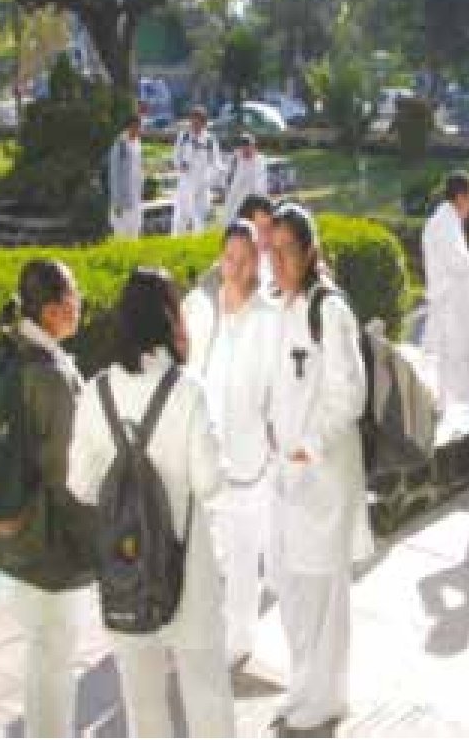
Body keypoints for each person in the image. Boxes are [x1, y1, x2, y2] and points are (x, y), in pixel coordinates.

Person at [68, 268, 236, 737]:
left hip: (126, 567)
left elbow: (79, 484)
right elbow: (210, 483)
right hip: (188, 567)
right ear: (169, 320)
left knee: (141, 704)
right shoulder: (187, 391)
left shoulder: (96, 391)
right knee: (206, 695)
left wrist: (122, 490)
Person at [266, 203, 374, 734]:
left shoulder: (328, 310)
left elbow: (349, 393)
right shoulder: (282, 306)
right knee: (290, 587)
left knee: (323, 595)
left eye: (287, 252)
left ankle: (327, 698)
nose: (278, 262)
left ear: (310, 252)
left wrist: (309, 446)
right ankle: (304, 687)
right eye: (272, 251)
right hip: (287, 476)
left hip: (324, 475)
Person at [0, 260, 94, 738]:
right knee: (54, 658)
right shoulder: (50, 375)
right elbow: (67, 474)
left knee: (40, 654)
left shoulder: (11, 351)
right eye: (74, 297)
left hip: (11, 532)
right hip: (48, 545)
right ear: (51, 311)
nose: (80, 303)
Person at [185, 220, 278, 666]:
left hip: (250, 456)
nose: (236, 268)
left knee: (243, 554)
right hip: (207, 449)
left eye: (245, 259)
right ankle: (205, 628)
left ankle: (239, 639)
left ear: (257, 261)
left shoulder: (269, 318)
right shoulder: (204, 310)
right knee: (207, 552)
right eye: (229, 258)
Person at [422, 172, 469, 419]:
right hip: (450, 305)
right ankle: (456, 412)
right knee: (455, 359)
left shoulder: (447, 221)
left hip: (454, 301)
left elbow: (461, 263)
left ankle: (457, 409)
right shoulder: (444, 224)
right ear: (461, 197)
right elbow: (459, 264)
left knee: (457, 360)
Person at [172, 106, 223, 235]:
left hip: (203, 182)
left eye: (198, 122)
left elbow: (216, 162)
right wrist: (180, 165)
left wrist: (212, 177)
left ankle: (198, 238)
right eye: (193, 121)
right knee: (182, 212)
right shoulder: (184, 137)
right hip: (186, 180)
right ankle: (177, 238)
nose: (195, 125)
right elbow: (175, 156)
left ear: (204, 122)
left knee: (200, 214)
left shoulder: (210, 140)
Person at [108, 113, 144, 238]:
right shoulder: (120, 144)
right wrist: (116, 201)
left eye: (139, 127)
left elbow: (138, 168)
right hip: (122, 198)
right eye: (136, 127)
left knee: (135, 230)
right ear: (129, 126)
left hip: (135, 196)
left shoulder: (138, 143)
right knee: (121, 233)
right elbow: (114, 173)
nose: (138, 130)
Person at [224, 133, 269, 226]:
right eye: (243, 146)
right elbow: (229, 178)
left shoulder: (260, 160)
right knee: (231, 219)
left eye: (248, 146)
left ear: (253, 147)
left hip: (254, 197)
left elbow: (260, 183)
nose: (246, 149)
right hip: (235, 196)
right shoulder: (235, 159)